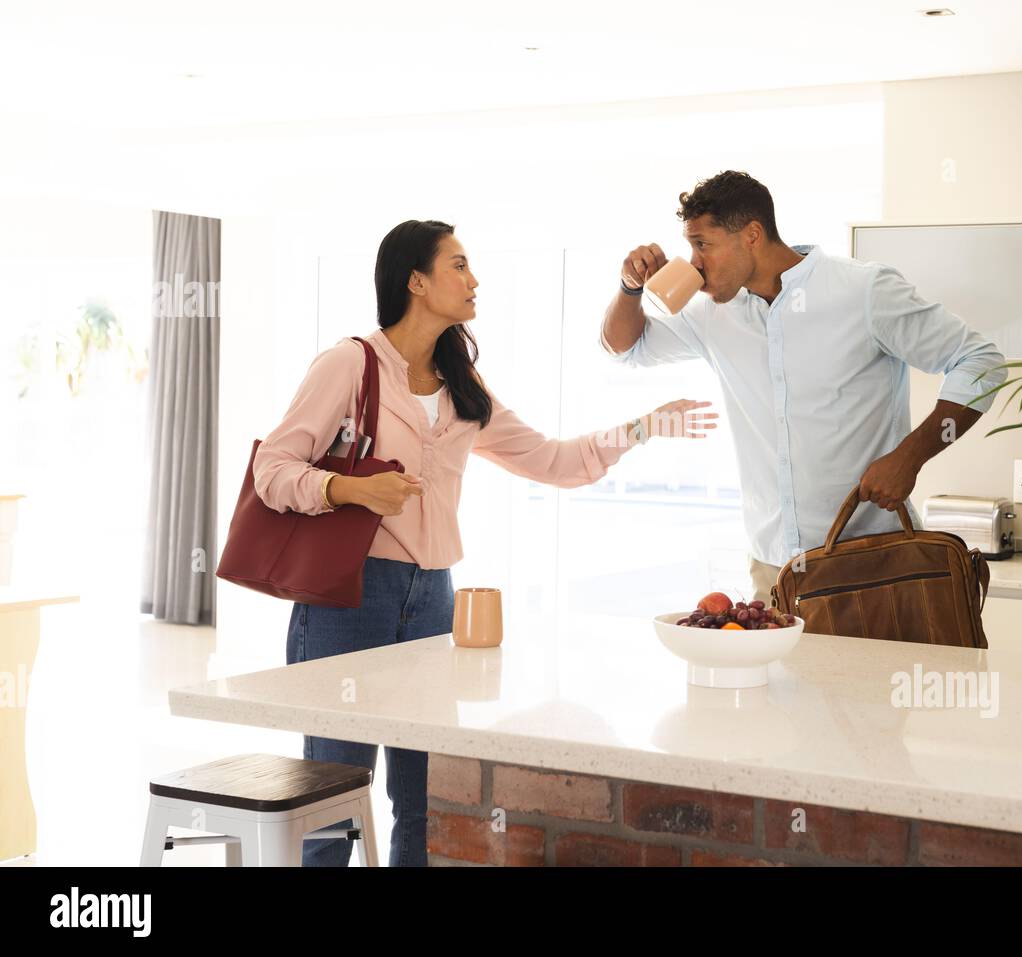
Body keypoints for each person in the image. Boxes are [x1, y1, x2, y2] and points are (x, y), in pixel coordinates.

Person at [253, 219, 717, 865]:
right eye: (459, 265)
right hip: (349, 596)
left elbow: (553, 461)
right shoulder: (349, 364)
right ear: (415, 280)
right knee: (334, 798)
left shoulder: (461, 381)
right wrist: (352, 491)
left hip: (433, 597)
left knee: (422, 798)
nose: (475, 280)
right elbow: (272, 471)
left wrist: (644, 427)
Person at [600, 170, 1007, 603]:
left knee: (871, 674)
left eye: (703, 244)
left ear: (752, 235)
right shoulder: (711, 315)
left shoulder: (862, 290)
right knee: (774, 675)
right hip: (773, 570)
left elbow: (980, 364)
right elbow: (625, 348)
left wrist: (910, 457)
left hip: (870, 561)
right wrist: (630, 288)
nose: (694, 262)